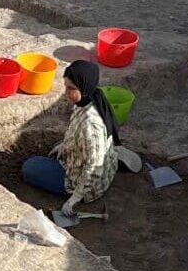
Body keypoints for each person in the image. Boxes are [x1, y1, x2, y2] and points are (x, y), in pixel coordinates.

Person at [20, 58, 119, 219]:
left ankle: (71, 190)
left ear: (84, 87)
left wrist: (74, 199)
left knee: (29, 167)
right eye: (66, 87)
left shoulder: (91, 126)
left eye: (71, 88)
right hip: (82, 163)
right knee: (48, 155)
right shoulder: (90, 100)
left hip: (86, 184)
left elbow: (94, 168)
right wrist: (63, 146)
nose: (66, 93)